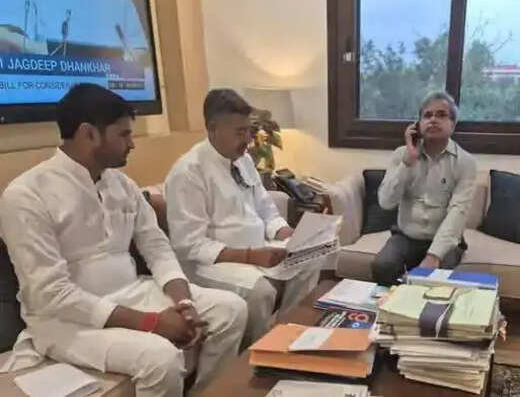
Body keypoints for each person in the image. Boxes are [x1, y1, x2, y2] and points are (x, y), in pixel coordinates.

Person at [0, 84, 247, 397]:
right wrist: (152, 323)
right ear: (89, 134)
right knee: (160, 359)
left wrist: (184, 303)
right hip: (66, 322)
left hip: (135, 293)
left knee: (231, 310)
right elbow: (51, 293)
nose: (132, 144)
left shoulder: (122, 185)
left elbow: (157, 248)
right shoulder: (26, 195)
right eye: (124, 134)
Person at [165, 88, 320, 345]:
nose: (248, 139)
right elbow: (189, 245)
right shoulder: (188, 172)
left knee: (310, 257)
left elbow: (266, 207)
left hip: (257, 250)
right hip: (212, 264)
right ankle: (259, 352)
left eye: (248, 130)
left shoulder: (243, 160)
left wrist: (287, 234)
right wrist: (248, 256)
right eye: (240, 132)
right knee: (261, 292)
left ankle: (286, 335)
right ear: (213, 129)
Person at [372, 91, 477, 285]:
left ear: (453, 124)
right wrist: (407, 163)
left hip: (444, 240)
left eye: (441, 115)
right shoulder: (401, 155)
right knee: (382, 265)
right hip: (406, 236)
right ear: (417, 125)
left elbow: (458, 212)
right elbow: (386, 202)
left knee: (435, 279)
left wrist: (433, 256)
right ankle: (394, 302)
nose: (433, 120)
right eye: (427, 115)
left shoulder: (465, 162)